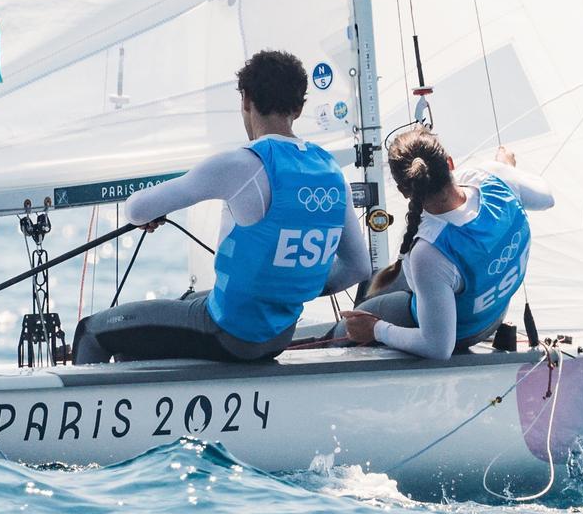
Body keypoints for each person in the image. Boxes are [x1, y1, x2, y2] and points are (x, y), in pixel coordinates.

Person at [72, 50, 371, 364]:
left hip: (228, 333)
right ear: (299, 107)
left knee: (92, 331)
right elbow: (358, 267)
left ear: (246, 100)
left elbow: (137, 210)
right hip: (278, 336)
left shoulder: (241, 164)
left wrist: (151, 212)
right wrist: (290, 287)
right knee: (184, 302)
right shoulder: (331, 172)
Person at [338, 127, 554, 359]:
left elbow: (438, 347)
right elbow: (546, 198)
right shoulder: (495, 179)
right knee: (387, 278)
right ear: (450, 163)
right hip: (495, 312)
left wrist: (376, 329)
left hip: (465, 332)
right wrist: (507, 170)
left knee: (352, 323)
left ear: (403, 190)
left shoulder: (428, 252)